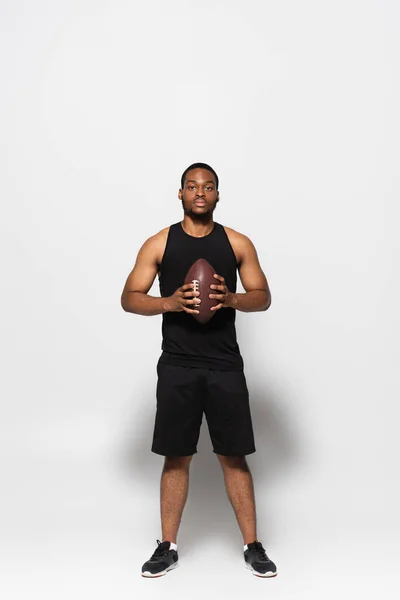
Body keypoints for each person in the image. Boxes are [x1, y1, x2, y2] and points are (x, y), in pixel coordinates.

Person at [121, 162, 277, 579]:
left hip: (225, 364)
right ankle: (167, 546)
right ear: (180, 194)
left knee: (234, 456)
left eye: (208, 187)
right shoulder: (159, 243)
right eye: (192, 186)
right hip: (178, 364)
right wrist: (169, 303)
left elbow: (262, 296)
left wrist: (232, 300)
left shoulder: (237, 242)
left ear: (218, 195)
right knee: (177, 456)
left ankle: (253, 545)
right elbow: (129, 298)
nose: (200, 192)